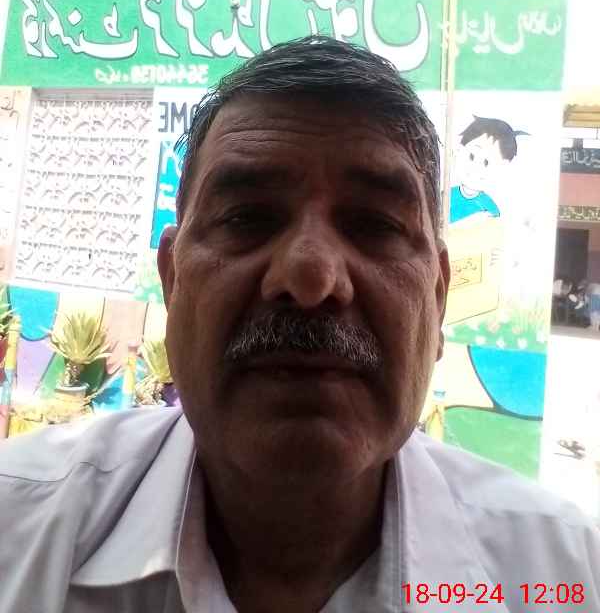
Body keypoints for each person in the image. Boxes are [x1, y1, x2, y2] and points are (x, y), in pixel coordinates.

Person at [0, 36, 599, 613]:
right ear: (172, 279)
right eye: (247, 217)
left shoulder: (565, 576)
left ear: (438, 298)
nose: (311, 278)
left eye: (375, 225)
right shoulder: (16, 531)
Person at [450, 116, 527, 224]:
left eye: (486, 163)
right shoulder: (446, 196)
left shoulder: (489, 208)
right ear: (458, 151)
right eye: (472, 156)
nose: (476, 167)